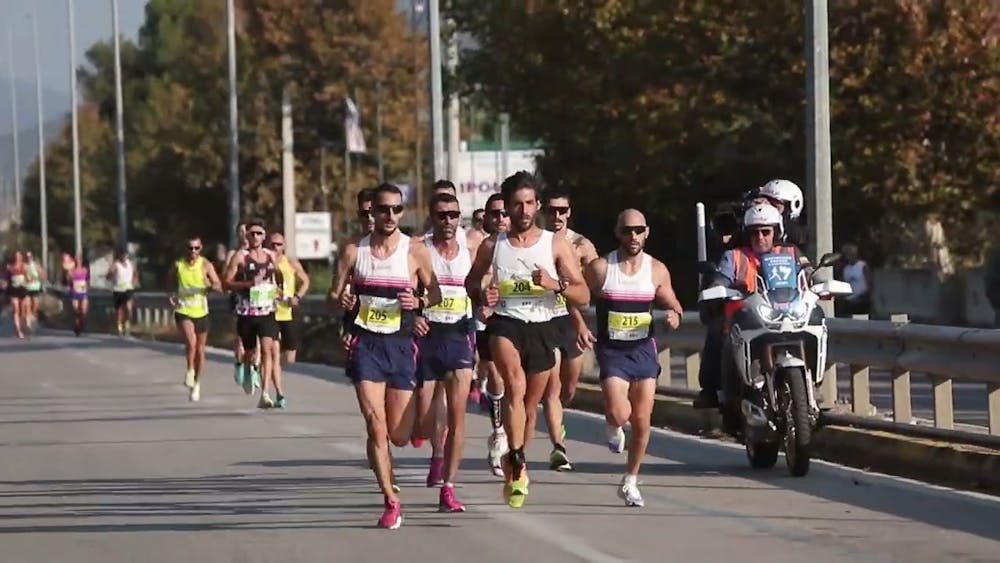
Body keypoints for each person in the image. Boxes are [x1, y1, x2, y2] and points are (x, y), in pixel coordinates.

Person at [465, 171, 590, 508]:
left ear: (537, 205)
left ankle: (515, 459)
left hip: (543, 327)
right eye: (516, 205)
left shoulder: (555, 244)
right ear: (506, 207)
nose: (523, 210)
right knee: (514, 386)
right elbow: (471, 282)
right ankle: (517, 460)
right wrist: (482, 294)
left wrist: (555, 284)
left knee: (529, 406)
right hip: (506, 324)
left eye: (529, 203)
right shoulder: (494, 245)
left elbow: (583, 294)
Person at [331, 183, 441, 529]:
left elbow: (435, 292)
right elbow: (333, 294)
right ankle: (391, 501)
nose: (389, 216)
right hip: (366, 345)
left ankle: (389, 459)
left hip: (401, 345)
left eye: (396, 209)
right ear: (371, 213)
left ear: (402, 212)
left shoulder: (415, 251)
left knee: (398, 434)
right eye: (383, 209)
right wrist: (343, 300)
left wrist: (419, 303)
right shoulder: (353, 251)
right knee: (375, 425)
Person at [581, 209, 682, 506]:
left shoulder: (656, 270)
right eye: (627, 231)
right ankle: (612, 424)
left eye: (638, 230)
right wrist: (579, 325)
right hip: (612, 351)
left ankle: (630, 480)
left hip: (643, 349)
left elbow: (673, 302)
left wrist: (674, 315)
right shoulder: (602, 269)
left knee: (642, 420)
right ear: (618, 233)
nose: (633, 236)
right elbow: (574, 296)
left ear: (647, 232)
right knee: (619, 413)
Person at [414, 191, 474, 511]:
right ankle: (432, 450)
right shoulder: (418, 249)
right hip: (427, 335)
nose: (448, 221)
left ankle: (448, 487)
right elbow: (404, 286)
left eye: (453, 214)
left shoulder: (471, 246)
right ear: (432, 217)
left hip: (458, 335)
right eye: (441, 215)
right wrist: (414, 316)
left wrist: (487, 302)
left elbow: (482, 282)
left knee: (457, 416)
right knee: (423, 420)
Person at [223, 219, 283, 408]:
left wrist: (279, 290)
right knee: (250, 352)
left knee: (267, 350)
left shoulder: (270, 256)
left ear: (264, 236)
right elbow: (226, 283)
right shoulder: (240, 257)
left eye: (259, 233)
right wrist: (248, 285)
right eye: (252, 233)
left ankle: (265, 393)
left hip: (267, 311)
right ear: (246, 236)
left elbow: (278, 276)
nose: (255, 237)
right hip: (247, 312)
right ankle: (248, 368)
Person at [477, 192, 510, 476]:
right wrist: (479, 301)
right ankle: (499, 432)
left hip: (521, 322)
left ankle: (511, 437)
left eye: (504, 213)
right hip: (485, 322)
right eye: (494, 214)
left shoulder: (523, 246)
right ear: (486, 217)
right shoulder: (480, 245)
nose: (500, 219)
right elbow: (469, 282)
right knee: (496, 375)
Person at [167, 236, 222, 401]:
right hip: (184, 309)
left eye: (196, 248)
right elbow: (169, 281)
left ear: (201, 249)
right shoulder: (178, 265)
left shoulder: (205, 265)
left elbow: (218, 285)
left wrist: (210, 284)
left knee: (200, 349)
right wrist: (171, 294)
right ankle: (190, 370)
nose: (193, 252)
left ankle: (197, 384)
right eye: (190, 248)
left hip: (201, 311)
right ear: (186, 249)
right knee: (191, 342)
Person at [268, 232, 311, 408]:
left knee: (290, 355)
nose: (275, 248)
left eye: (278, 244)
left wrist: (297, 297)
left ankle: (276, 369)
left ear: (283, 246)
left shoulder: (291, 262)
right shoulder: (263, 261)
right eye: (272, 244)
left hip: (287, 312)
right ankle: (276, 384)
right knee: (272, 351)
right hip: (269, 312)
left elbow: (305, 281)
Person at [225, 222, 259, 393]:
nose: (245, 235)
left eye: (247, 231)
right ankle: (240, 362)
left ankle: (254, 367)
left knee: (258, 337)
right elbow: (227, 277)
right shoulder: (234, 254)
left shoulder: (260, 253)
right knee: (240, 337)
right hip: (239, 297)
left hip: (258, 299)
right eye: (241, 232)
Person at [107, 247, 138, 336]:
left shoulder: (131, 264)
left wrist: (135, 281)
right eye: (122, 255)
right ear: (119, 256)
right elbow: (108, 276)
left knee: (128, 308)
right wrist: (111, 273)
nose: (124, 256)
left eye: (125, 255)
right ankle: (120, 328)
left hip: (128, 289)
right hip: (118, 290)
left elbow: (136, 273)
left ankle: (127, 326)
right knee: (119, 311)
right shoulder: (115, 265)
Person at [838, 243, 872, 317]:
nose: (849, 256)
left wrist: (863, 296)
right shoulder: (846, 269)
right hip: (849, 300)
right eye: (848, 254)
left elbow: (869, 283)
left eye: (851, 254)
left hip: (861, 299)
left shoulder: (862, 266)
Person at [5, 251, 30, 339]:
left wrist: (27, 282)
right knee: (16, 309)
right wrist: (5, 283)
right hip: (13, 290)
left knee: (22, 311)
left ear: (21, 257)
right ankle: (18, 331)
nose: (17, 258)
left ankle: (21, 326)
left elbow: (28, 277)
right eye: (16, 256)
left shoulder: (24, 266)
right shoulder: (10, 267)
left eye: (19, 256)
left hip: (22, 289)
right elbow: (6, 278)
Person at [66, 255, 90, 337]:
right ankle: (77, 327)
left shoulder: (85, 270)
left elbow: (87, 281)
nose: (78, 261)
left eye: (79, 260)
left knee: (83, 311)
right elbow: (68, 282)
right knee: (76, 311)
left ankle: (81, 324)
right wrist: (69, 276)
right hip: (74, 293)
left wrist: (86, 288)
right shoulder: (71, 271)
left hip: (83, 292)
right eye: (76, 260)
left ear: (81, 261)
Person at [23, 251, 44, 329]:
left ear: (32, 257)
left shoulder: (36, 265)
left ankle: (33, 314)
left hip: (35, 287)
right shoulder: (24, 266)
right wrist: (25, 280)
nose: (28, 258)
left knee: (35, 304)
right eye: (27, 257)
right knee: (27, 305)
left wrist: (37, 277)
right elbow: (22, 276)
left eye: (30, 256)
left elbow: (43, 275)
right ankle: (28, 321)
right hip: (27, 288)